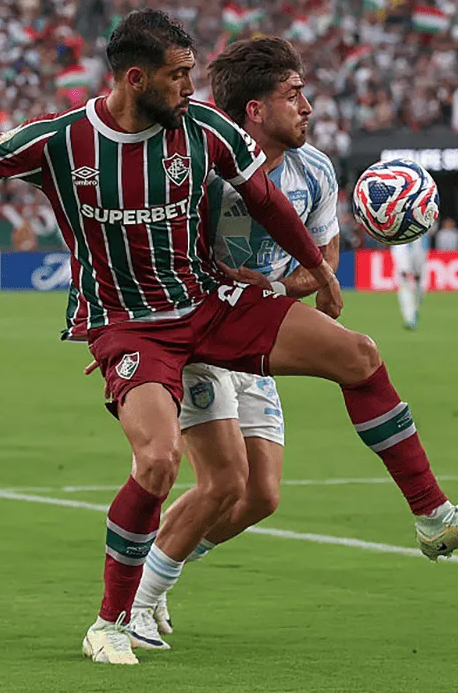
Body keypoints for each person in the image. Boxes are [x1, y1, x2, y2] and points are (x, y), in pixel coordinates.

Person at [0, 10, 458, 666]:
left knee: (360, 356)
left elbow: (268, 202)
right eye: (180, 76)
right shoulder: (62, 140)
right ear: (134, 78)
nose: (191, 88)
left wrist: (316, 269)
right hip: (127, 327)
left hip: (208, 305)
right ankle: (111, 621)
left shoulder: (207, 133)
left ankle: (434, 518)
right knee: (158, 463)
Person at [110, 36, 343, 650]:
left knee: (262, 495)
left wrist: (275, 283)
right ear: (255, 110)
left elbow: (322, 263)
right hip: (195, 331)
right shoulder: (198, 164)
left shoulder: (314, 171)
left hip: (255, 327)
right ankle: (138, 599)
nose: (307, 107)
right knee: (222, 481)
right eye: (294, 95)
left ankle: (158, 573)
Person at [392, 234, 430, 330]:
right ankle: (409, 318)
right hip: (401, 245)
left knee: (420, 283)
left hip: (419, 245)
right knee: (404, 283)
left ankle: (416, 309)